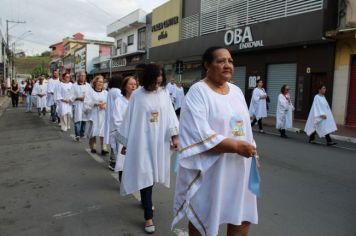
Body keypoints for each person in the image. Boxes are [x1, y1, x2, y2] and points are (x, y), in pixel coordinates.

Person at [172, 47, 258, 236]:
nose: (227, 65)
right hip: (210, 168)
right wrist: (235, 146)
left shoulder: (236, 91)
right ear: (207, 65)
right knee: (204, 217)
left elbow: (245, 127)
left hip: (239, 166)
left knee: (241, 217)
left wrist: (253, 151)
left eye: (230, 61)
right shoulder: (198, 91)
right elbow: (198, 132)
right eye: (221, 61)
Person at [118, 64, 179, 233]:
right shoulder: (137, 95)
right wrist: (125, 144)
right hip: (142, 142)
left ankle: (146, 201)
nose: (156, 86)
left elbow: (171, 116)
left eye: (159, 82)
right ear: (146, 80)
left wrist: (174, 137)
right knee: (145, 175)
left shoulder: (164, 93)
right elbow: (129, 119)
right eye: (154, 82)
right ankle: (148, 216)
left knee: (151, 177)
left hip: (159, 142)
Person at [112, 76, 137, 179]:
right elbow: (117, 119)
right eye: (131, 84)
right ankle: (122, 180)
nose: (133, 86)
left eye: (135, 84)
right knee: (123, 158)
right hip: (124, 135)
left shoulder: (138, 101)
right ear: (125, 86)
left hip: (136, 135)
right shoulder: (119, 101)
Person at [84, 75, 108, 154]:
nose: (100, 83)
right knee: (93, 130)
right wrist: (95, 103)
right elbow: (86, 103)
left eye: (102, 82)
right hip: (93, 114)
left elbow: (110, 103)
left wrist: (105, 105)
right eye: (99, 81)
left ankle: (103, 147)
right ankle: (93, 145)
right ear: (95, 82)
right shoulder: (90, 92)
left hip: (103, 114)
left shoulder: (106, 93)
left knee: (103, 131)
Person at [103, 75, 123, 169]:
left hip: (111, 118)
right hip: (115, 118)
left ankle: (112, 160)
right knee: (116, 142)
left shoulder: (110, 91)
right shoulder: (117, 92)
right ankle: (113, 162)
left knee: (113, 140)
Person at [71, 71, 92, 141]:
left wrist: (86, 98)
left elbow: (91, 95)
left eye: (84, 76)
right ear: (78, 77)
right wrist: (78, 98)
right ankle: (77, 135)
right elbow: (71, 96)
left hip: (85, 105)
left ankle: (81, 133)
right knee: (77, 120)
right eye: (81, 76)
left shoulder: (88, 85)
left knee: (84, 120)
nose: (83, 77)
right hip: (78, 105)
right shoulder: (74, 86)